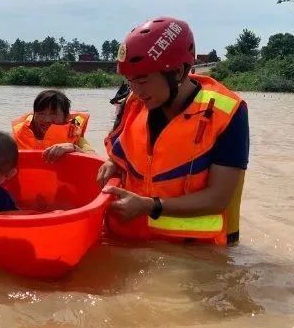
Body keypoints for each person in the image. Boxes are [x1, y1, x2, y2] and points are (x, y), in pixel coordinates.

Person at [98, 16, 249, 245]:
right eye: (130, 81)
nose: (136, 91)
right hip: (129, 241)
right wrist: (113, 163)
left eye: (143, 80)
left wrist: (151, 206)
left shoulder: (227, 113)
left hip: (192, 253)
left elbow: (218, 198)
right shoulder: (135, 101)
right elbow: (123, 149)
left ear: (178, 72)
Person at [11, 90, 95, 162]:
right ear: (34, 116)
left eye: (53, 114)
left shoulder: (77, 139)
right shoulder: (17, 136)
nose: (47, 119)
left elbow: (96, 162)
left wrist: (74, 149)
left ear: (66, 117)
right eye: (41, 113)